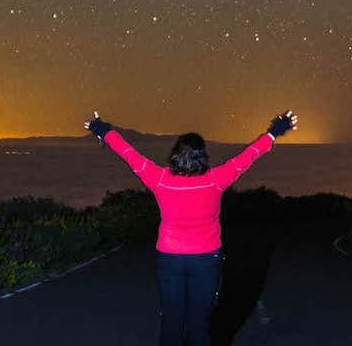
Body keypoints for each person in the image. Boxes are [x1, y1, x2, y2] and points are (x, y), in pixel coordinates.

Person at [83, 109, 299, 346]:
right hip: (207, 260)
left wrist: (101, 129)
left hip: (170, 259)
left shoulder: (159, 179)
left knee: (171, 322)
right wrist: (276, 130)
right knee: (199, 324)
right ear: (202, 156)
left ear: (175, 154)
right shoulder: (217, 179)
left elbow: (128, 153)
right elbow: (249, 155)